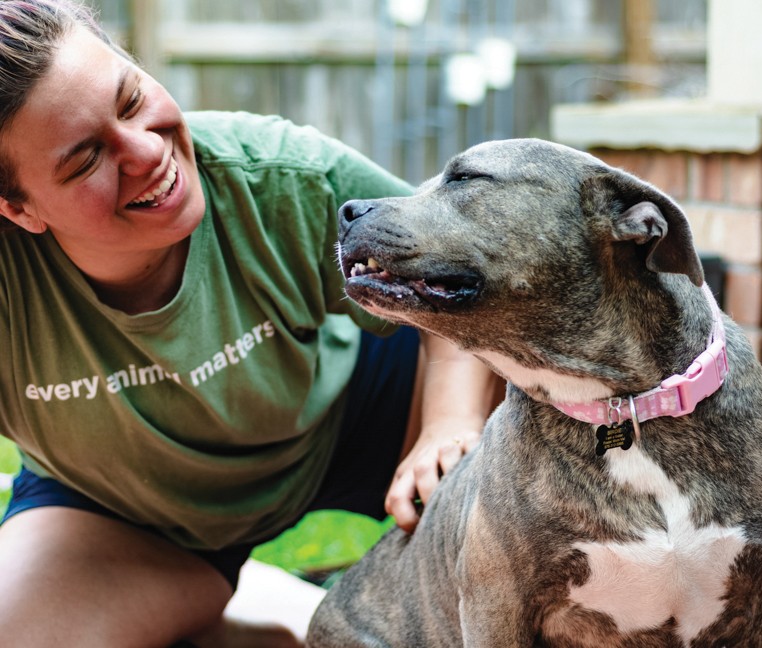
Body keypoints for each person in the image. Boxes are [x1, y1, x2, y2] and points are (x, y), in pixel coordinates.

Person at [0, 1, 501, 645]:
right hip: (131, 509)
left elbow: (449, 277)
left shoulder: (279, 173)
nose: (147, 150)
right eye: (85, 159)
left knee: (548, 386)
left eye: (129, 102)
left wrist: (449, 427)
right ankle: (247, 629)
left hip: (348, 406)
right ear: (16, 209)